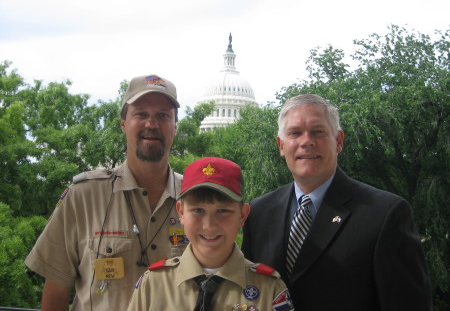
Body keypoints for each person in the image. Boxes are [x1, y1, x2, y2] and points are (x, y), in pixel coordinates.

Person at [241, 94, 433, 311]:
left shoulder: (384, 214)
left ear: (339, 141)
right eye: (295, 133)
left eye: (318, 132)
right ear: (281, 145)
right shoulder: (258, 213)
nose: (306, 141)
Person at [25, 74, 188, 311]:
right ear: (123, 124)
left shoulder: (195, 199)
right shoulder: (84, 196)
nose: (151, 124)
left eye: (163, 115)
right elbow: (56, 291)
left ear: (175, 127)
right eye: (141, 114)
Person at [127, 157, 294, 311]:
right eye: (198, 210)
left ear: (242, 215)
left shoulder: (270, 289)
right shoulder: (153, 285)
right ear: (181, 212)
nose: (209, 225)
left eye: (223, 211)